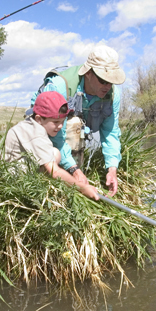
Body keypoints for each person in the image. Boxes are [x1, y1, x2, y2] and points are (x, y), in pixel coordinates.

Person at [30, 45, 125, 197]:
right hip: (45, 126)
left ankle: (73, 177)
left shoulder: (113, 95)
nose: (107, 86)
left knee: (76, 126)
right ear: (88, 73)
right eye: (103, 80)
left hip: (70, 128)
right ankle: (60, 178)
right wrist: (74, 169)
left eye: (111, 81)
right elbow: (56, 134)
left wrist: (112, 169)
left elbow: (111, 132)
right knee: (73, 125)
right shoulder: (60, 86)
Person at [0, 91, 99, 201]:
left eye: (62, 121)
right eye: (56, 122)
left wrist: (74, 171)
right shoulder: (35, 133)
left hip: (19, 167)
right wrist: (83, 188)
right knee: (54, 155)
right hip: (11, 177)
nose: (60, 126)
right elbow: (54, 171)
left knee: (55, 154)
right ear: (39, 119)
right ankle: (36, 193)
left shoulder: (35, 124)